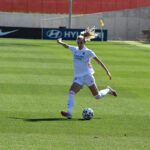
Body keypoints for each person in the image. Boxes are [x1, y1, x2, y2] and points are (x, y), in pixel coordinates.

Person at [57, 28, 117, 119]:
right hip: (78, 77)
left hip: (87, 76)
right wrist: (60, 42)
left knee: (97, 96)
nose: (79, 44)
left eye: (81, 42)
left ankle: (108, 90)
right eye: (78, 42)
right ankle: (69, 113)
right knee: (71, 92)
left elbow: (98, 61)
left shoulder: (88, 52)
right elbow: (67, 46)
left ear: (84, 42)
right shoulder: (75, 49)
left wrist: (107, 71)